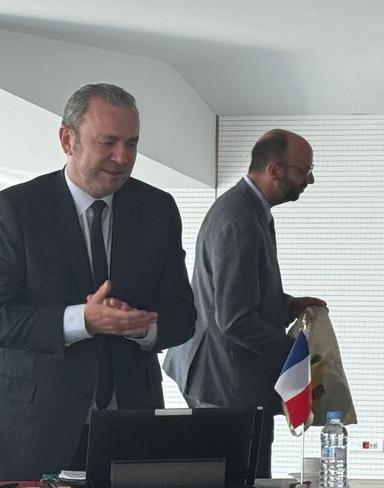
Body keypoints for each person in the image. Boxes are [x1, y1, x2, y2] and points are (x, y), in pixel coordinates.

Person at [0, 83, 196, 479]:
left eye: (131, 144)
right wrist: (82, 320)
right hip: (36, 428)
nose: (122, 158)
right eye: (107, 142)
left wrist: (143, 327)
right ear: (67, 140)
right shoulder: (15, 209)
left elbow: (184, 315)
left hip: (133, 425)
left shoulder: (157, 209)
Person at [164, 129, 326, 478]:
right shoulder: (239, 219)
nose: (310, 180)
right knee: (244, 476)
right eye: (304, 170)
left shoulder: (248, 209)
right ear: (274, 170)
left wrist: (287, 305)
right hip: (224, 383)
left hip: (226, 377)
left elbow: (240, 292)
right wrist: (298, 354)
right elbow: (235, 320)